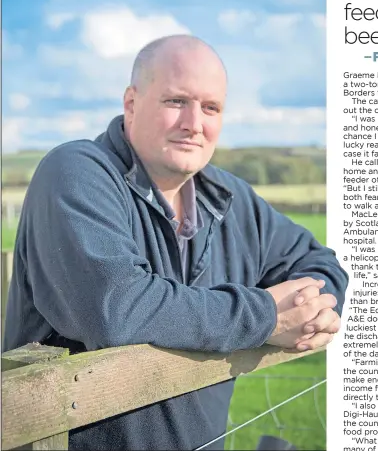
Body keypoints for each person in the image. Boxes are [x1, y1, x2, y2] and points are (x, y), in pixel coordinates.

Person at [4, 34, 348, 451]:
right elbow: (118, 308)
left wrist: (311, 311)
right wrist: (267, 318)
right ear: (131, 103)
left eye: (211, 107)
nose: (194, 123)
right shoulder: (77, 173)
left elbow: (320, 262)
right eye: (175, 101)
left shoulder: (231, 199)